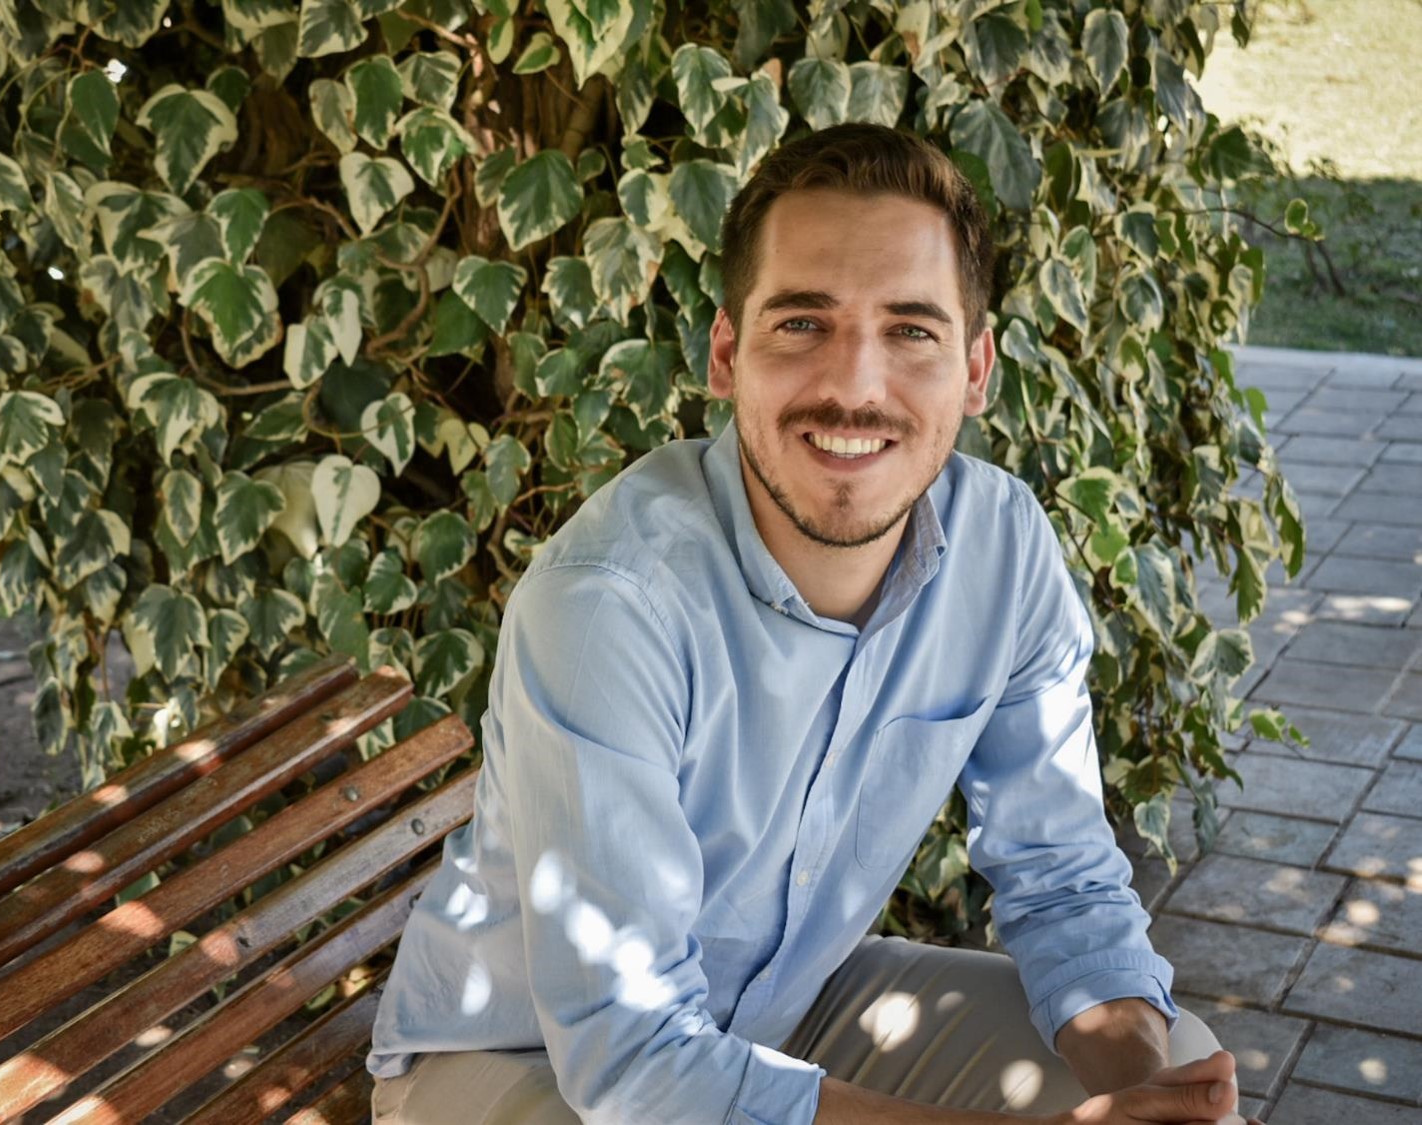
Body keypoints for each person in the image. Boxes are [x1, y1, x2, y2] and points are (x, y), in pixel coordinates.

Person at [366, 123, 1255, 1125]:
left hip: (778, 1007)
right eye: (801, 323)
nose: (854, 386)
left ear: (975, 368)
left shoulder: (1002, 547)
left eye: (911, 331)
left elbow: (1065, 886)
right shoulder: (611, 604)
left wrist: (1144, 1098)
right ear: (726, 354)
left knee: (1181, 1064)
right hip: (515, 1060)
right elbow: (634, 1059)